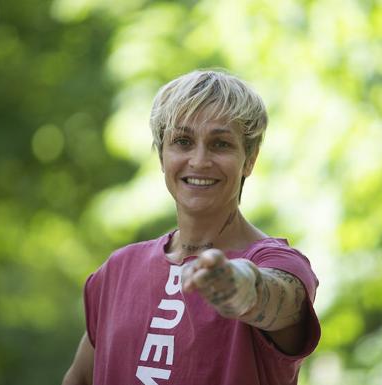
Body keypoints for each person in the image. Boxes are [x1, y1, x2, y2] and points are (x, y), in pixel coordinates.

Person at [62, 69, 321, 385]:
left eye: (220, 144)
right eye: (182, 141)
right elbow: (78, 377)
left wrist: (241, 285)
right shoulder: (118, 270)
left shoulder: (277, 262)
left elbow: (276, 296)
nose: (199, 160)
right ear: (161, 155)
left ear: (250, 158)